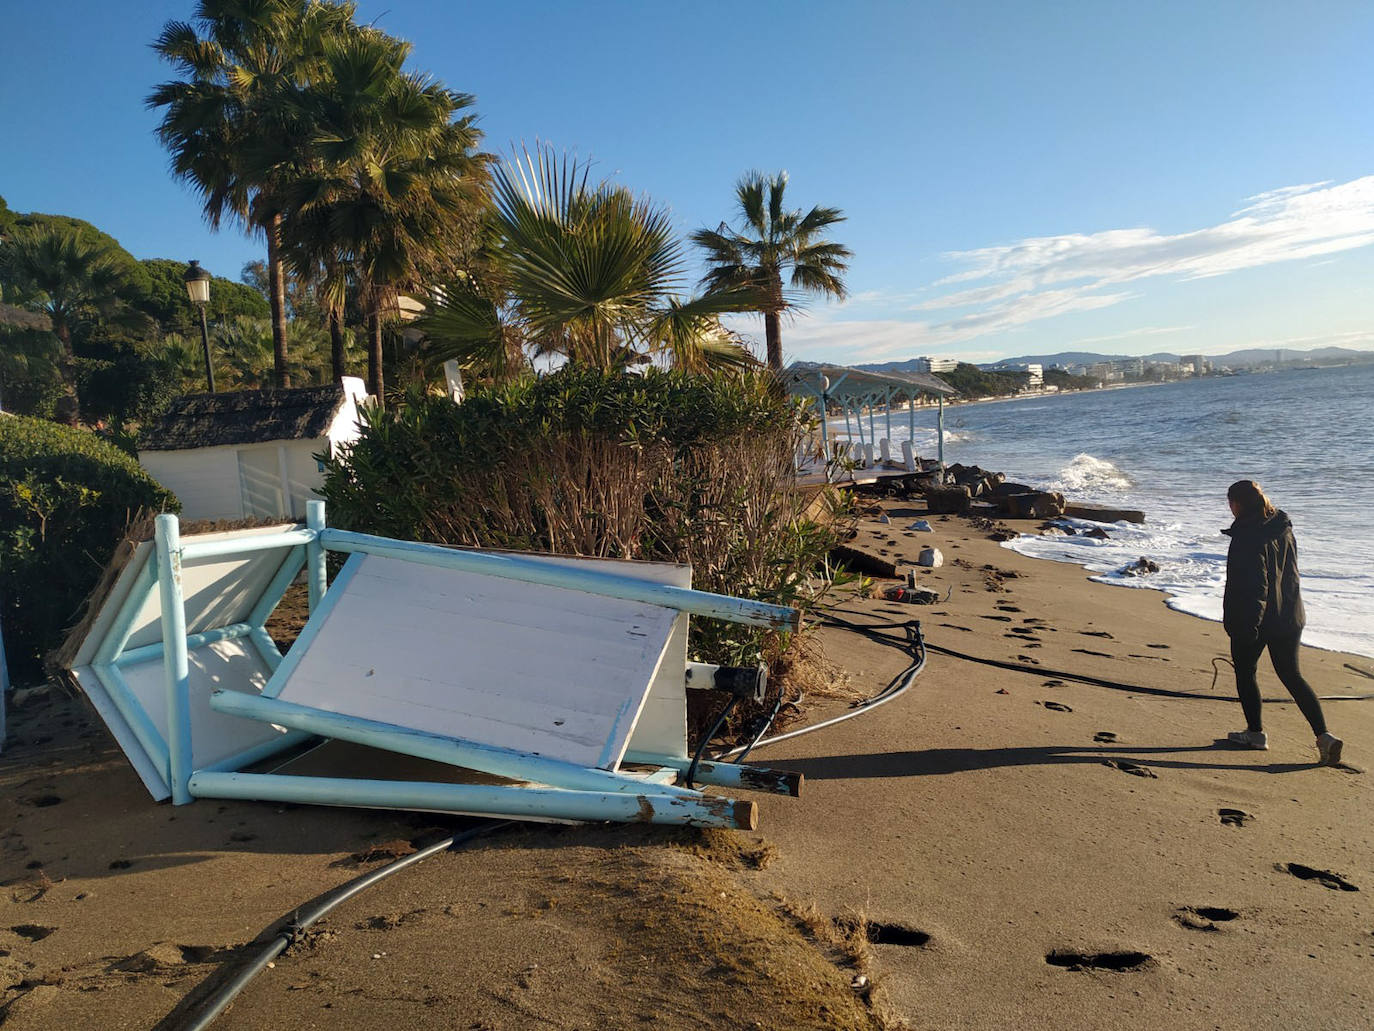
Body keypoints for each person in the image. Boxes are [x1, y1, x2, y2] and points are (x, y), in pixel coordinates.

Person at [1222, 480, 1342, 765]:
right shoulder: (1282, 527)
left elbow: (1256, 585)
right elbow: (1290, 573)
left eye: (1229, 502)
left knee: (1246, 671)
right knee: (1292, 676)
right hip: (1290, 616)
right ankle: (1324, 736)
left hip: (1258, 618)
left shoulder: (1247, 536)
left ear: (1237, 504)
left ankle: (1255, 733)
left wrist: (1247, 627)